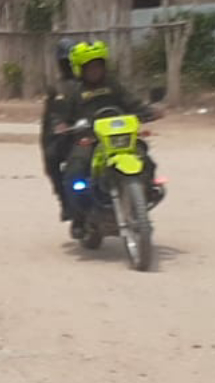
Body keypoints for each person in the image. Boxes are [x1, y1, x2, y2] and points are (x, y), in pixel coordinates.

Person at [50, 41, 162, 239]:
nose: (95, 70)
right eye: (90, 67)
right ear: (80, 69)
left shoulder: (114, 85)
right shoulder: (72, 91)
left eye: (98, 65)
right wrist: (61, 124)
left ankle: (147, 190)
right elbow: (60, 114)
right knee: (75, 169)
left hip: (118, 137)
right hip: (89, 139)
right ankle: (80, 216)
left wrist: (149, 111)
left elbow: (133, 103)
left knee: (143, 156)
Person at [40, 40, 77, 221]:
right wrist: (59, 128)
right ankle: (66, 202)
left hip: (98, 132)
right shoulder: (57, 88)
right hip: (70, 135)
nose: (68, 66)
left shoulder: (96, 81)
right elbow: (51, 117)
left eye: (71, 62)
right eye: (65, 62)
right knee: (51, 157)